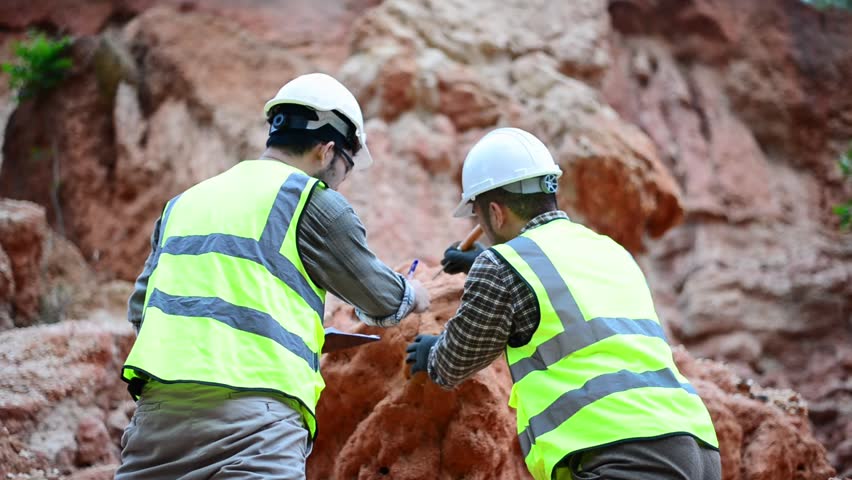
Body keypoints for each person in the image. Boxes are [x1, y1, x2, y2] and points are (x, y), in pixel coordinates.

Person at [116, 72, 431, 479]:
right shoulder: (309, 200)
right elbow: (381, 298)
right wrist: (416, 292)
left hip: (158, 417)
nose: (342, 180)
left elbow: (144, 308)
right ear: (327, 151)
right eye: (346, 167)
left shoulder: (185, 202)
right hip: (255, 425)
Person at [406, 128, 720, 480]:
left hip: (623, 455)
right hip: (696, 448)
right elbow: (563, 298)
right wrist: (487, 262)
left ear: (495, 213)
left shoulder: (501, 266)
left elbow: (455, 361)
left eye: (478, 218)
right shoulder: (609, 250)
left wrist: (432, 352)